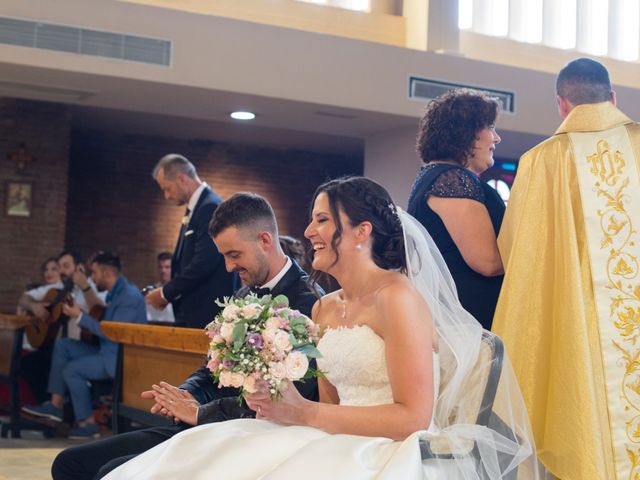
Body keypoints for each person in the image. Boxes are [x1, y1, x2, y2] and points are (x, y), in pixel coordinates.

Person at [101, 177, 539, 480]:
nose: (308, 230)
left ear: (361, 231)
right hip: (331, 435)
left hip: (388, 448)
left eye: (323, 220)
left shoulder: (399, 300)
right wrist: (276, 399)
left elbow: (412, 417)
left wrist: (304, 414)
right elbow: (332, 400)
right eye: (312, 219)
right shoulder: (326, 308)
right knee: (203, 456)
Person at [52, 192, 322, 480]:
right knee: (70, 463)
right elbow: (212, 369)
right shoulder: (242, 295)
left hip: (252, 434)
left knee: (110, 472)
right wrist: (186, 392)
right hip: (208, 422)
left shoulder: (311, 303)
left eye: (234, 255)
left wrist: (200, 413)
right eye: (224, 257)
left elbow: (293, 399)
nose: (229, 267)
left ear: (265, 240)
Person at [492, 58, 640, 480]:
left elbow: (518, 252)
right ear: (613, 98)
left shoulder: (540, 162)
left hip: (579, 334)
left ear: (561, 104)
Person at [408, 89, 504, 331]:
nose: (496, 138)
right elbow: (488, 261)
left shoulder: (432, 177)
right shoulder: (452, 180)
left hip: (455, 317)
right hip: (471, 321)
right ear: (466, 132)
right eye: (490, 127)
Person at [22, 252, 147, 438]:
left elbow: (113, 334)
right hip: (106, 349)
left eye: (94, 272)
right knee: (63, 346)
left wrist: (79, 316)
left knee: (72, 370)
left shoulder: (128, 296)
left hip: (117, 359)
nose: (92, 277)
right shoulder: (117, 293)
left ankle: (88, 423)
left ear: (106, 273)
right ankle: (55, 406)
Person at [145, 154, 236, 328]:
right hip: (192, 309)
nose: (166, 196)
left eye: (167, 188)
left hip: (205, 312)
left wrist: (166, 293)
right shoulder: (196, 208)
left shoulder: (209, 207)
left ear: (181, 179)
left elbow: (204, 261)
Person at [145, 252, 175, 323]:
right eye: (160, 267)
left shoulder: (179, 292)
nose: (163, 271)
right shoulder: (150, 291)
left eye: (167, 267)